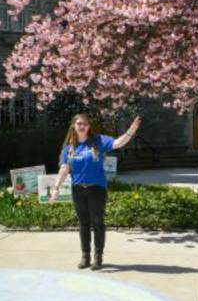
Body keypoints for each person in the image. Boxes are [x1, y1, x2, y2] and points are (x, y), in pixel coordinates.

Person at [50, 114, 142, 270]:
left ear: (88, 126)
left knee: (98, 222)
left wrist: (131, 131)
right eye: (79, 123)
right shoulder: (69, 148)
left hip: (97, 189)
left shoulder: (98, 141)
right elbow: (64, 168)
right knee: (83, 223)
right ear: (73, 125)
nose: (82, 126)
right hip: (78, 189)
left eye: (85, 124)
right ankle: (85, 256)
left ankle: (98, 257)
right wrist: (56, 188)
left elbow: (118, 143)